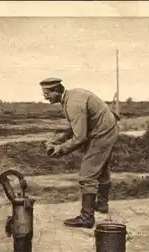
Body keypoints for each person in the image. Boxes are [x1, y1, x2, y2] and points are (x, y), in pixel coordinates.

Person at [40, 77, 120, 229]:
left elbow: (80, 137)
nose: (44, 97)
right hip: (109, 128)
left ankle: (87, 218)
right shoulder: (70, 97)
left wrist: (61, 149)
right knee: (101, 169)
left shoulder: (73, 104)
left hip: (103, 133)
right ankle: (102, 205)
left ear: (57, 91)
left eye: (47, 93)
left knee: (87, 175)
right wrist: (58, 140)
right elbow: (75, 127)